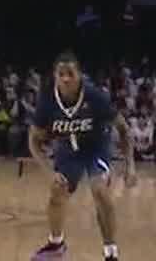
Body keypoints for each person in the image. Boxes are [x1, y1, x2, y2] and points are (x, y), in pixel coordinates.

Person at [30, 52, 134, 260]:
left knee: (99, 191)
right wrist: (49, 172)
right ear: (55, 76)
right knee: (57, 191)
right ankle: (56, 244)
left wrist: (130, 165)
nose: (66, 79)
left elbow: (123, 129)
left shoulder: (95, 96)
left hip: (97, 147)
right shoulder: (47, 101)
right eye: (61, 74)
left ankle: (110, 251)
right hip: (68, 149)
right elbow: (33, 141)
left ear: (80, 75)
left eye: (70, 74)